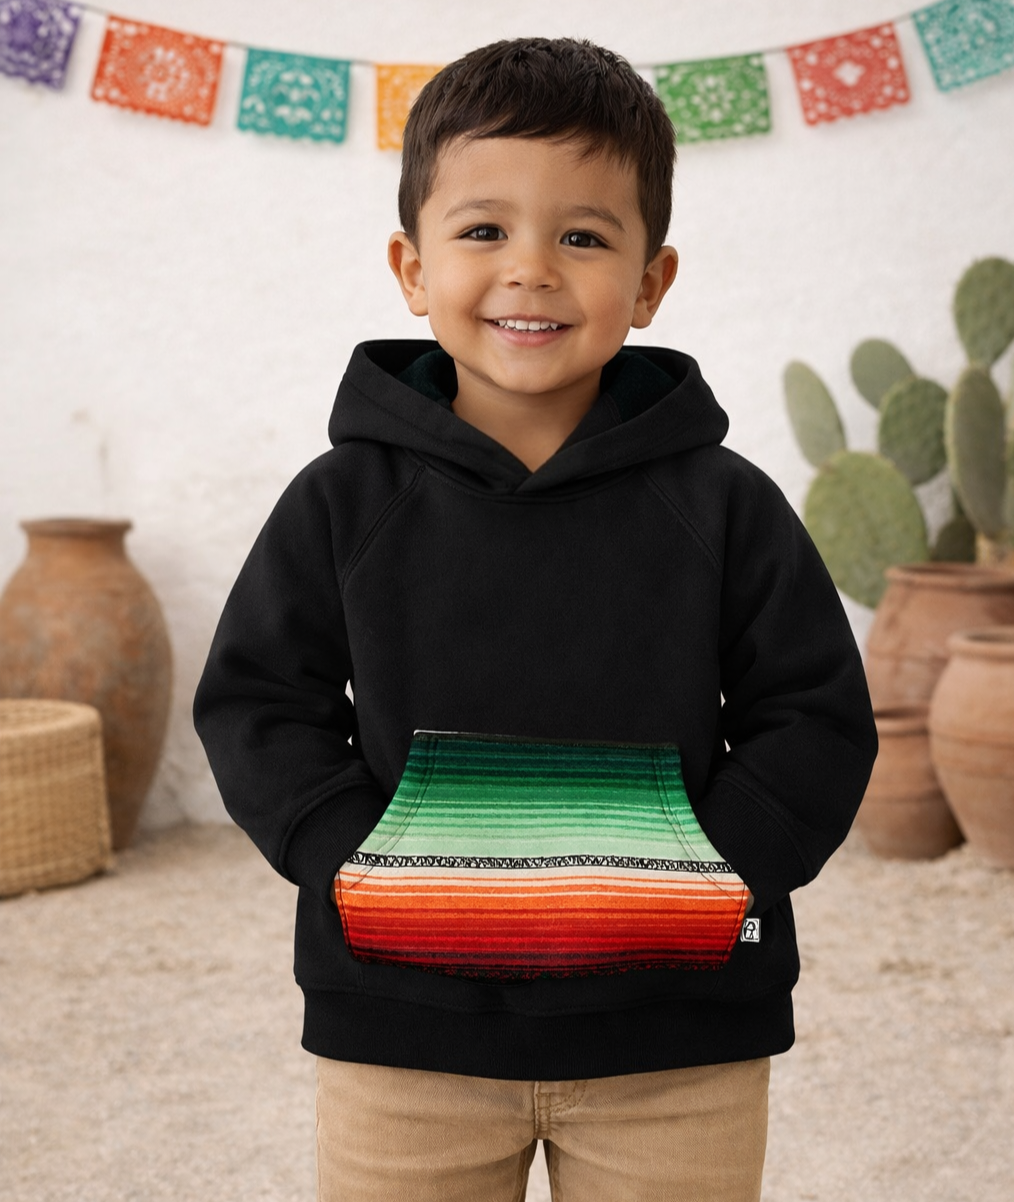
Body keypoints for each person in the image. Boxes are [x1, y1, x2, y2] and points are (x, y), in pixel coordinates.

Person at [194, 36, 877, 1202]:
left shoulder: (725, 505)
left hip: (678, 1036)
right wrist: (361, 863)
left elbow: (813, 714)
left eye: (583, 237)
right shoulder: (341, 500)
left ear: (650, 281)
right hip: (404, 1030)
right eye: (483, 230)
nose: (530, 270)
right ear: (411, 269)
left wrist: (710, 876)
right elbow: (259, 699)